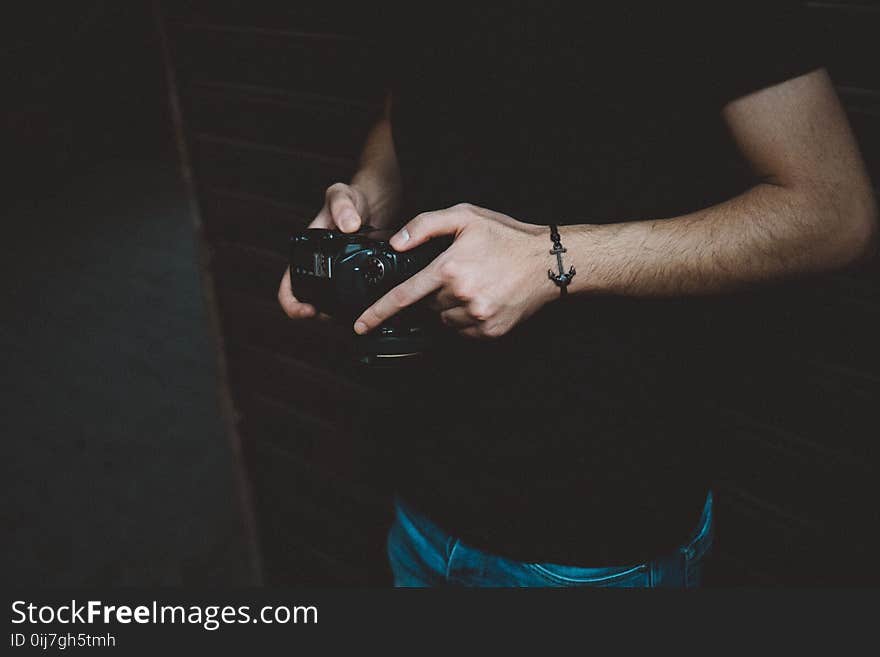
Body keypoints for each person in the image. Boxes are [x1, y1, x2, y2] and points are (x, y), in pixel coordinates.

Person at [278, 3, 877, 587]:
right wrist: (369, 195)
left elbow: (833, 209)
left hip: (593, 537)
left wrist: (554, 258)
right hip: (423, 495)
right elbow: (404, 107)